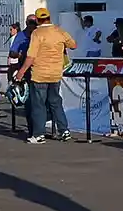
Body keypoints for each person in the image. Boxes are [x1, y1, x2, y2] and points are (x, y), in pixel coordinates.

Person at [11, 8, 75, 144]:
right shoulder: (59, 31)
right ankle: (64, 131)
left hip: (39, 75)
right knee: (56, 103)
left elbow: (31, 56)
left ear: (38, 20)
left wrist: (21, 71)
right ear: (49, 18)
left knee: (38, 105)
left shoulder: (37, 33)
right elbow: (73, 44)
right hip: (55, 74)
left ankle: (39, 135)